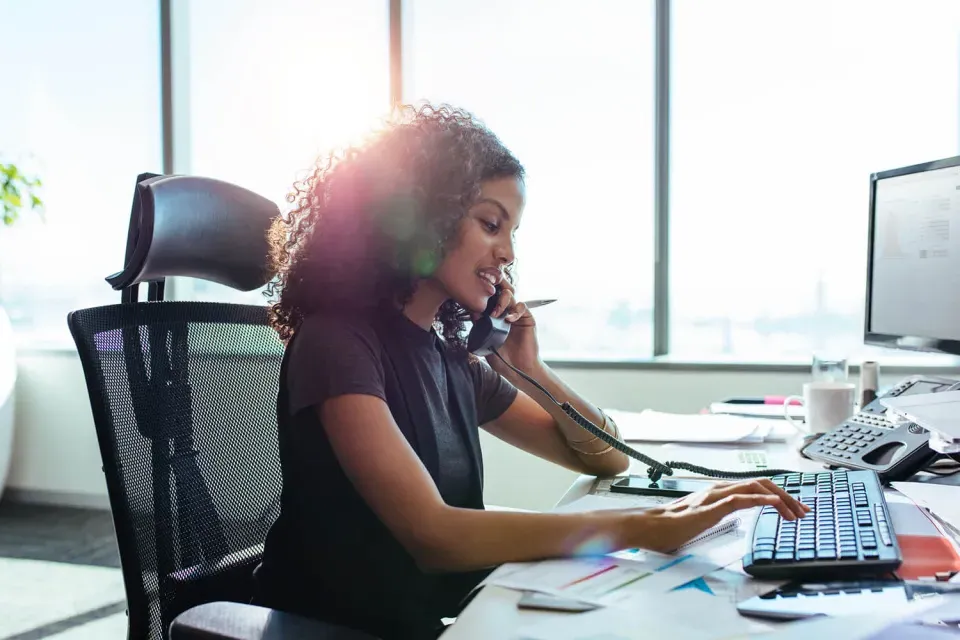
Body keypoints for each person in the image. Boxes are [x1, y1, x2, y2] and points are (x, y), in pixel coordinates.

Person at [252, 104, 809, 639]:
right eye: (491, 224)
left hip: (437, 617)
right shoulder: (337, 342)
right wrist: (647, 525)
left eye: (511, 231)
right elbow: (433, 536)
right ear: (422, 218)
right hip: (346, 629)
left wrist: (529, 369)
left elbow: (602, 456)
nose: (508, 253)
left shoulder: (451, 357)